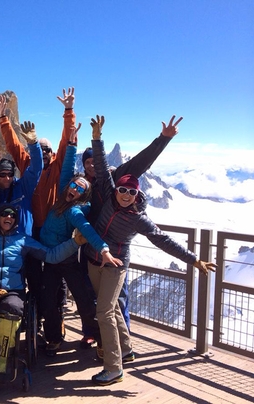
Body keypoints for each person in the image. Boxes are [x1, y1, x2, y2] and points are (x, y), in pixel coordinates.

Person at [84, 115, 217, 386]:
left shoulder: (138, 219)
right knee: (113, 309)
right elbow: (101, 164)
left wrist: (193, 260)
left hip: (115, 264)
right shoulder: (110, 194)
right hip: (92, 258)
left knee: (104, 312)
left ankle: (114, 368)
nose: (124, 194)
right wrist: (97, 138)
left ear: (137, 195)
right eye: (121, 189)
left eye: (130, 192)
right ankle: (128, 350)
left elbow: (163, 240)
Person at [0, 203, 86, 395]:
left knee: (12, 309)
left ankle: (1, 364)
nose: (9, 217)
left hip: (13, 291)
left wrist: (75, 243)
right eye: (4, 214)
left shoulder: (24, 240)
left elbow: (52, 255)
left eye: (12, 215)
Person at [79, 115, 184, 343]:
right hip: (91, 248)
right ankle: (97, 337)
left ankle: (122, 345)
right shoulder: (82, 185)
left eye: (94, 161)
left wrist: (163, 139)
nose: (92, 165)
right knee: (93, 296)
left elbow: (141, 162)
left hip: (115, 252)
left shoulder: (115, 182)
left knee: (118, 299)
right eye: (87, 162)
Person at [0, 88, 77, 340]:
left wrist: (68, 112)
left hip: (52, 232)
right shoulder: (28, 165)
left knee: (55, 279)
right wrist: (3, 119)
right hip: (31, 232)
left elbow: (66, 142)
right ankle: (36, 318)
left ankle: (56, 317)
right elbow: (12, 144)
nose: (43, 154)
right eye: (39, 150)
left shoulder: (58, 165)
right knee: (33, 275)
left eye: (47, 151)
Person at [39, 127, 113, 356]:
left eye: (80, 188)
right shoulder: (63, 194)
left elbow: (88, 230)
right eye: (74, 185)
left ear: (83, 195)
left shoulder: (75, 212)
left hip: (66, 259)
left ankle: (100, 339)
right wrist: (71, 146)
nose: (74, 188)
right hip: (51, 258)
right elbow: (68, 170)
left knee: (83, 299)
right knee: (49, 300)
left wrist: (103, 248)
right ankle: (53, 337)